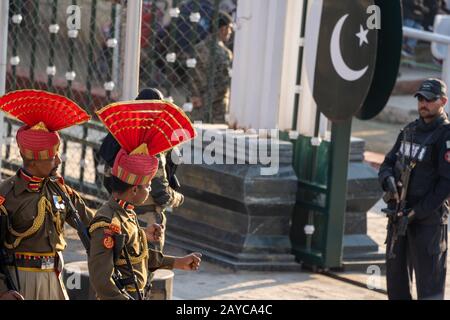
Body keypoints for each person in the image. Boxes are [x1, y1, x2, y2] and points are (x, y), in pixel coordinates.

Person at [89, 98, 201, 300]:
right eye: (147, 185)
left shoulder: (126, 215)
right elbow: (102, 281)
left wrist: (177, 262)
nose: (150, 189)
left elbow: (138, 258)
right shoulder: (107, 222)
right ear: (133, 190)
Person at [0, 90, 95, 300]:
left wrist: (142, 232)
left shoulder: (60, 190)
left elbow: (95, 223)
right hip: (20, 281)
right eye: (53, 157)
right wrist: (2, 291)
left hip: (54, 277)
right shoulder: (5, 195)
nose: (59, 162)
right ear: (33, 161)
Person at [379, 78, 450, 300]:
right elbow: (387, 163)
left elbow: (445, 186)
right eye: (421, 98)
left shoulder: (445, 136)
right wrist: (387, 180)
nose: (424, 103)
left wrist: (416, 213)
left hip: (428, 223)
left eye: (429, 99)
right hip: (398, 219)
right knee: (397, 287)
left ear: (443, 102)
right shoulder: (409, 130)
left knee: (429, 292)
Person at [189, 10, 234, 124]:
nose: (230, 32)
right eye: (229, 28)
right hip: (217, 109)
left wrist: (196, 97)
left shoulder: (197, 48)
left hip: (197, 105)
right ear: (223, 29)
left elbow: (192, 77)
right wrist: (205, 99)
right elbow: (223, 83)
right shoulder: (224, 53)